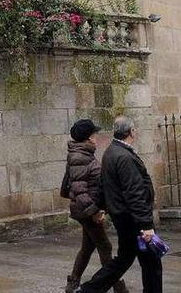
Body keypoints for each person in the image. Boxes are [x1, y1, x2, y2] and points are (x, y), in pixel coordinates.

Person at [77, 116, 162, 293]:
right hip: (134, 221)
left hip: (124, 218)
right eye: (135, 129)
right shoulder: (124, 156)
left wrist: (100, 207)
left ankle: (88, 290)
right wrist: (146, 225)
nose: (136, 131)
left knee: (124, 260)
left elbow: (104, 184)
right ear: (131, 131)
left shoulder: (111, 151)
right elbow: (134, 193)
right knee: (151, 262)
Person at [61, 119, 130, 293]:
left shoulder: (83, 154)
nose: (96, 137)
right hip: (87, 211)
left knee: (88, 247)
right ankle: (117, 287)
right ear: (88, 138)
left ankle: (73, 283)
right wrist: (94, 212)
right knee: (105, 246)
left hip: (86, 210)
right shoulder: (80, 157)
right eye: (94, 134)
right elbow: (79, 190)